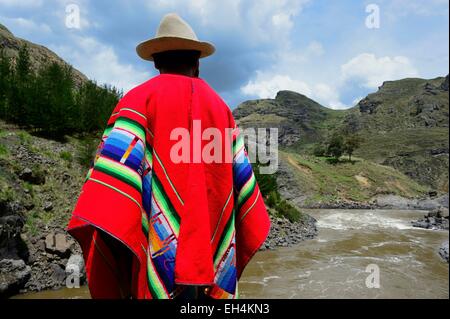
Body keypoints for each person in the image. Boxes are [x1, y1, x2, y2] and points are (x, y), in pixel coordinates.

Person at [67, 13, 270, 299]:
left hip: (155, 256)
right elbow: (242, 188)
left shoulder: (136, 102)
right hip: (210, 258)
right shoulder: (221, 110)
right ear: (197, 63)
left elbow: (111, 185)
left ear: (157, 61)